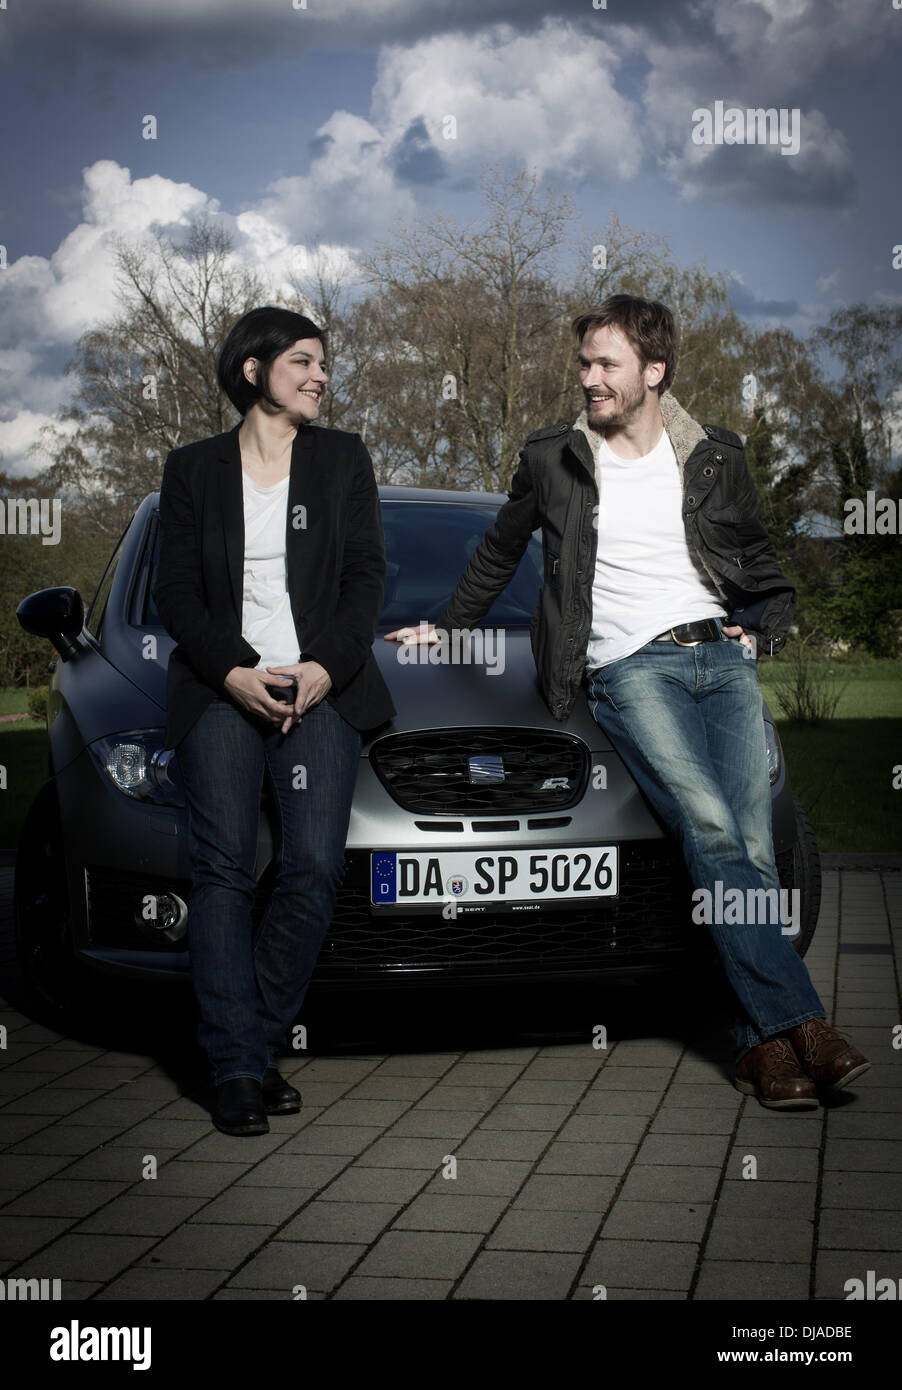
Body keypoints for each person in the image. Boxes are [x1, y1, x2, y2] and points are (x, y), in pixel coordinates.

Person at [387, 294, 869, 1111]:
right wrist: (445, 628)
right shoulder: (556, 459)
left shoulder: (714, 457)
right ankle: (806, 1022)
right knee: (712, 829)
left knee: (750, 844)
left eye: (607, 364)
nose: (590, 380)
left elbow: (756, 557)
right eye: (584, 364)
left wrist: (763, 628)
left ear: (655, 371)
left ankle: (762, 1048)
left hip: (717, 658)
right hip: (630, 670)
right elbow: (499, 550)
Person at [153, 306, 395, 1135]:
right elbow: (176, 592)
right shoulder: (192, 470)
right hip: (223, 689)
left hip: (320, 686)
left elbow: (366, 579)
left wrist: (324, 667)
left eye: (324, 362)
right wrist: (233, 672)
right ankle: (237, 1069)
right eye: (302, 360)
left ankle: (244, 1046)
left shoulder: (343, 460)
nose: (321, 375)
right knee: (222, 873)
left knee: (312, 871)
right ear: (253, 371)